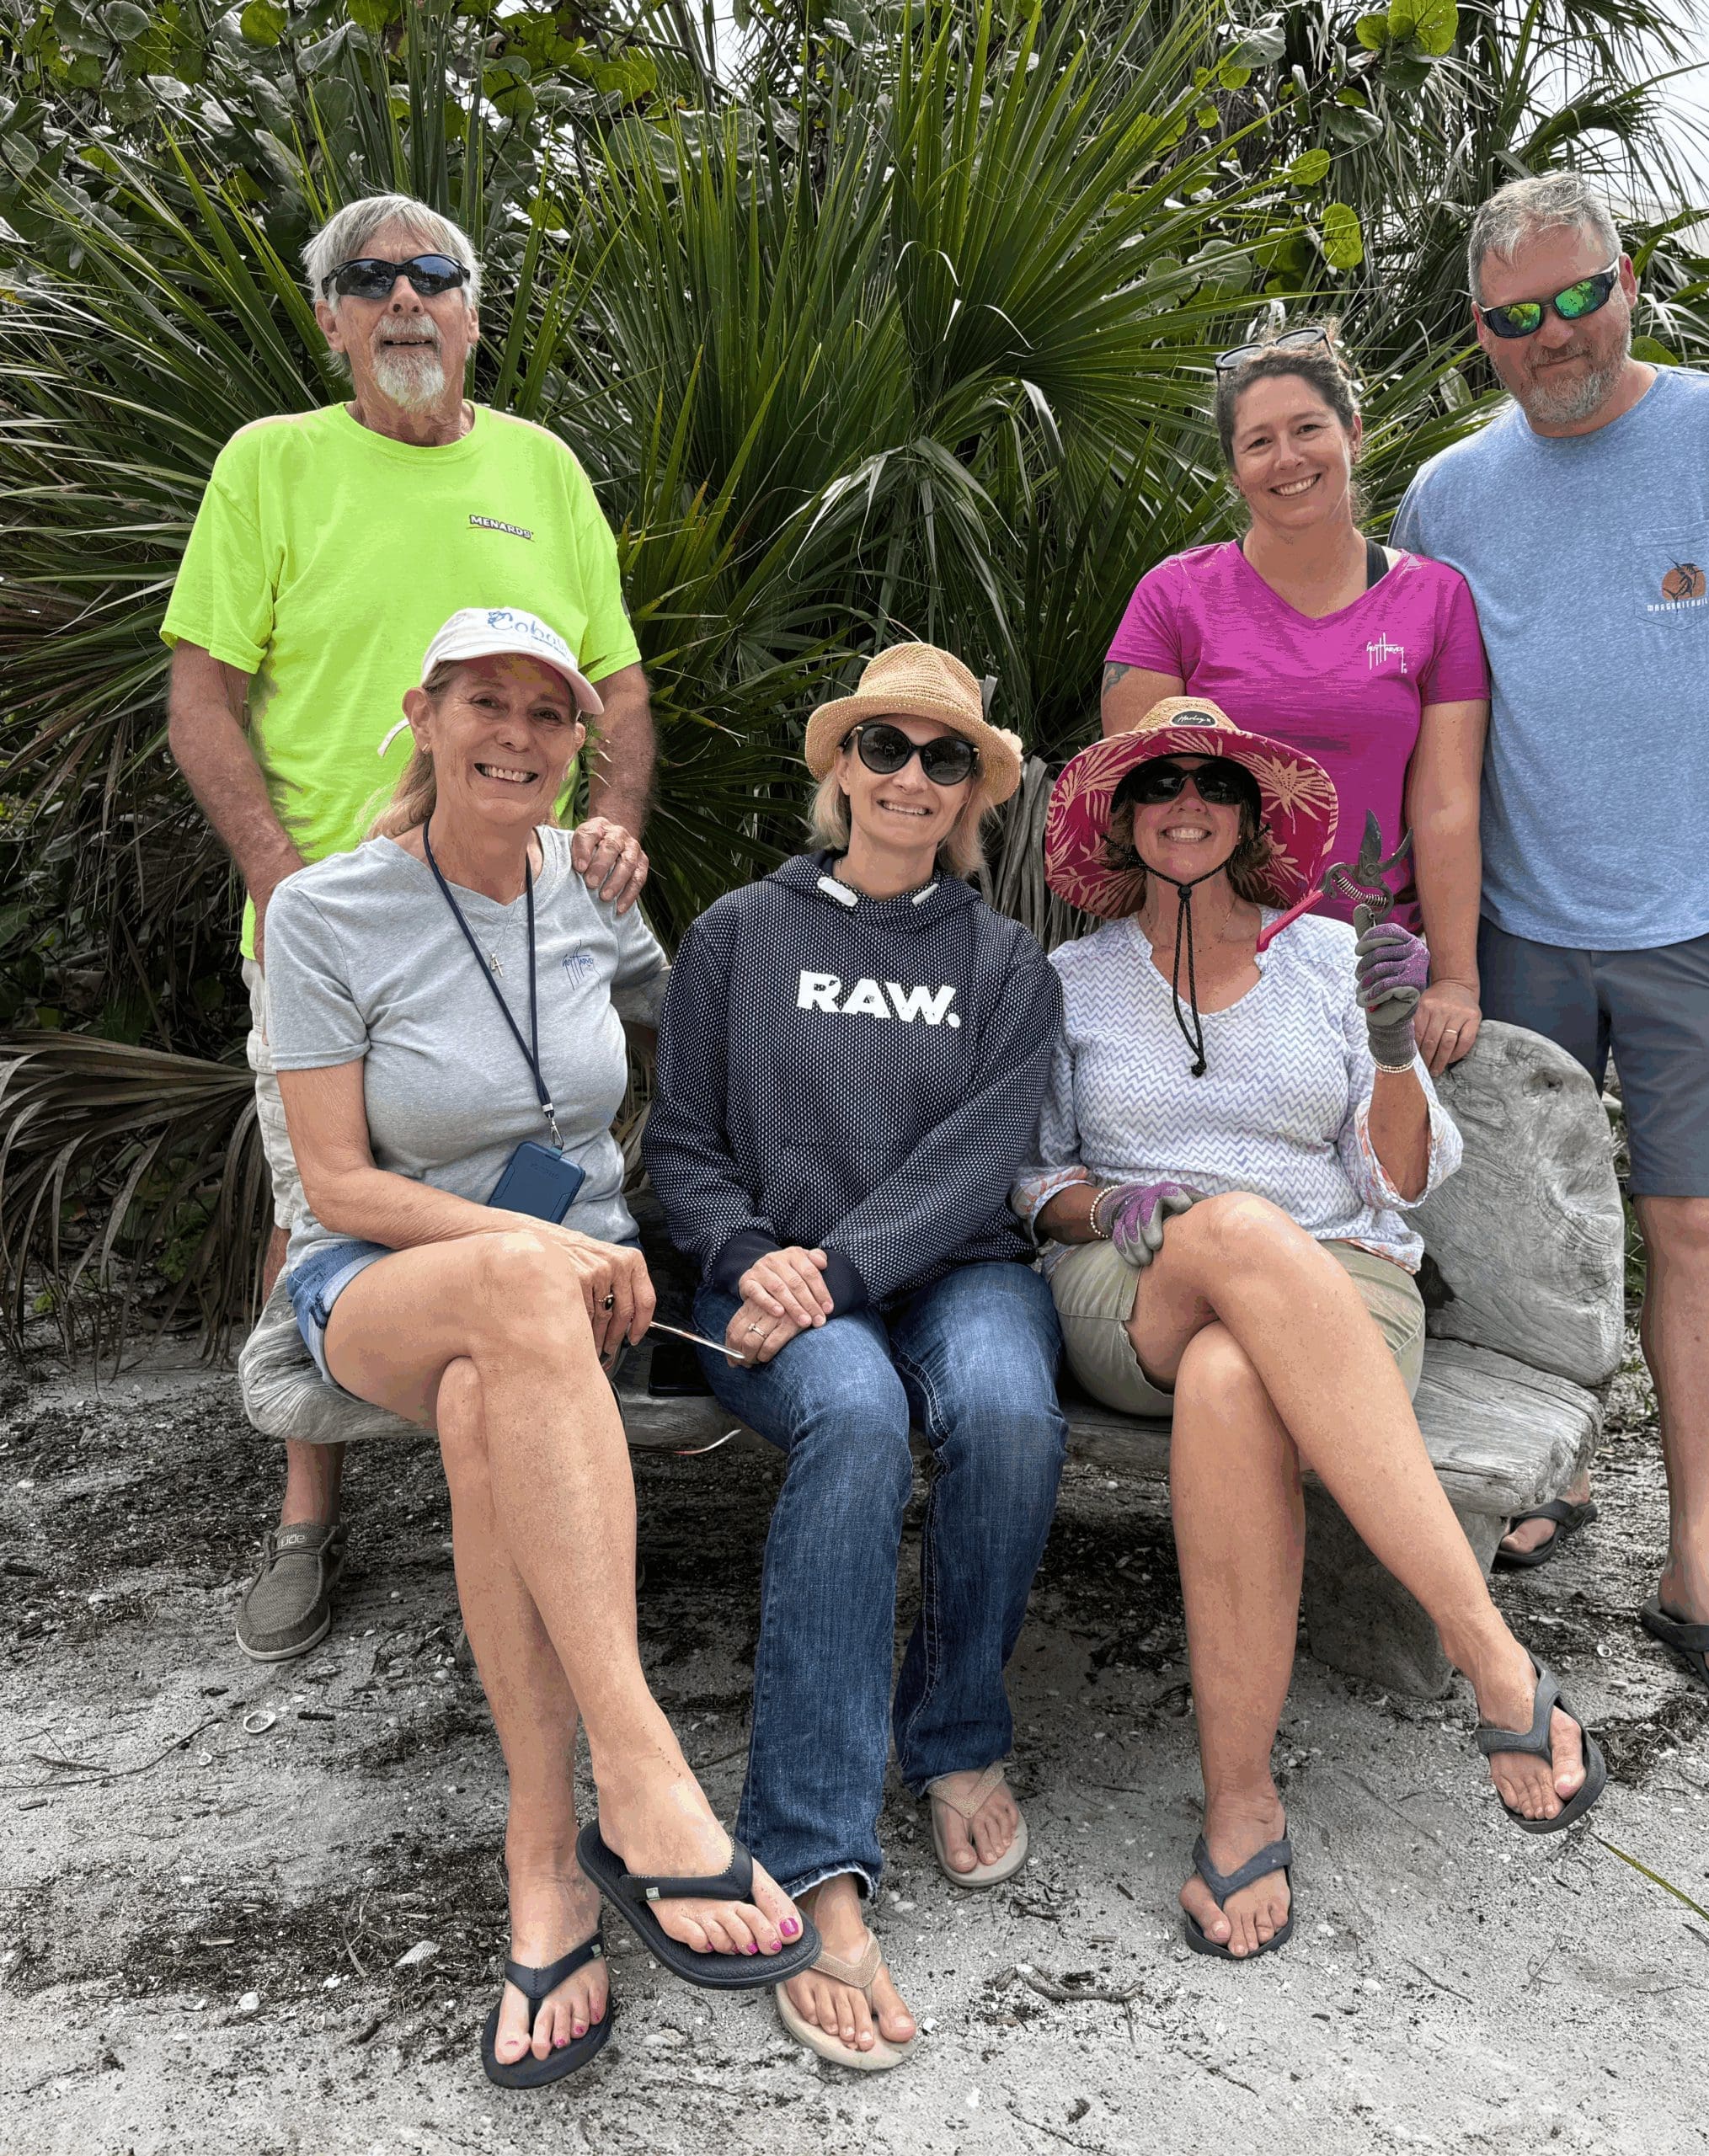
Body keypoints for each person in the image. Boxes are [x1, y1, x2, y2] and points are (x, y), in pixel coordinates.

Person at [261, 610, 814, 2089]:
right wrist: (555, 1251)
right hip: (381, 1280)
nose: (516, 735)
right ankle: (641, 1778)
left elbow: (707, 1048)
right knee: (498, 1303)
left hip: (563, 1315)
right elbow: (335, 1182)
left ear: (582, 749)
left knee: (480, 1404)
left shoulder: (585, 892)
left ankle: (544, 1865)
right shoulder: (324, 914)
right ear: (423, 717)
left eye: (549, 715)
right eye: (485, 705)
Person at [1391, 173, 1709, 1722]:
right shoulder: (1445, 496)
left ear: (1626, 278)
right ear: (1479, 334)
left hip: (1703, 927)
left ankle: (1701, 1562)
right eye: (1515, 317)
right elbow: (1413, 720)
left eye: (1576, 296)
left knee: (1690, 1236)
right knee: (1516, 1246)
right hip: (1513, 931)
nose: (1556, 338)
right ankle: (1558, 1474)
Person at [1017, 697, 1609, 1965]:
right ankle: (1493, 1663)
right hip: (1137, 1280)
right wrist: (1106, 1201)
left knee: (1240, 1372)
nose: (1185, 800)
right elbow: (1031, 1180)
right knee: (1230, 1234)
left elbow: (1397, 1184)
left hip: (1340, 1290)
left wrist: (1394, 1048)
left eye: (1212, 784)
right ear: (1124, 818)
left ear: (1244, 819)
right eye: (1157, 782)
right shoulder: (1064, 980)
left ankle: (1238, 1801)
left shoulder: (1329, 961)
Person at [163, 190, 656, 1665]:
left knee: (567, 1137)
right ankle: (307, 1511)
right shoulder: (274, 464)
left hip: (518, 903)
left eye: (433, 274)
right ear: (329, 320)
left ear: (473, 309)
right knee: (318, 1203)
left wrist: (614, 816)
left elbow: (615, 689)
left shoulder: (540, 468)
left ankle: (543, 1459)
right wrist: (279, 878)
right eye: (366, 280)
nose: (403, 300)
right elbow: (201, 695)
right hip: (342, 915)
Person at [645, 643, 1066, 2071]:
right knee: (859, 1418)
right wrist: (755, 1253)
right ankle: (812, 1854)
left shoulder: (1003, 963)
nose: (909, 777)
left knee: (1008, 1411)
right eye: (884, 747)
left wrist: (838, 1269)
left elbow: (977, 1164)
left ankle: (954, 1735)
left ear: (971, 795)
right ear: (841, 768)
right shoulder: (736, 934)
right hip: (762, 1288)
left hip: (939, 1276)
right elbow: (682, 1143)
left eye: (944, 759)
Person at [1100, 330, 1489, 1076]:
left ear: (1353, 433)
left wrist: (1453, 980)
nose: (1288, 458)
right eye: (1258, 442)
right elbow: (1138, 808)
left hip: (1377, 976)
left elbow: (1446, 802)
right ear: (1235, 471)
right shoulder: (1173, 598)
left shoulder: (1435, 599)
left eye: (1308, 428)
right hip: (1215, 973)